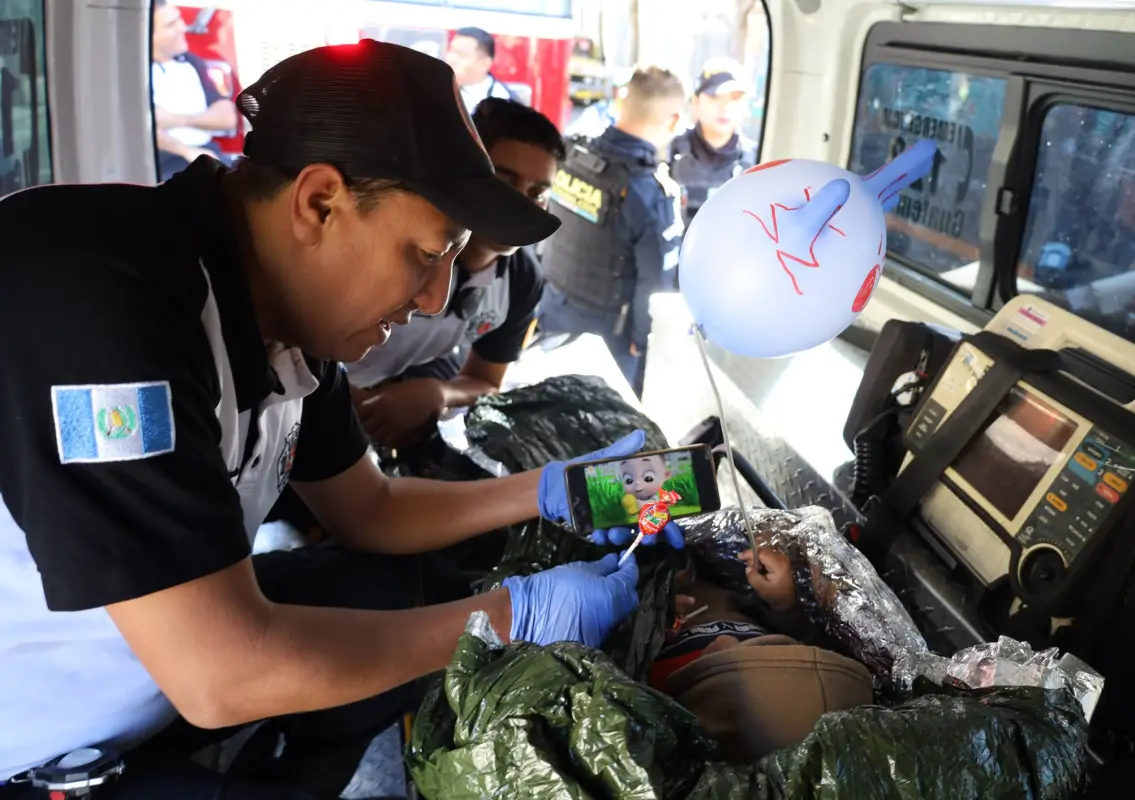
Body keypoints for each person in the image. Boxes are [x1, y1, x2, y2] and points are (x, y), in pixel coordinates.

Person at [0, 41, 681, 798]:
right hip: (41, 740)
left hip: (150, 687)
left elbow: (370, 509)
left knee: (395, 588)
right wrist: (514, 615)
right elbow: (221, 674)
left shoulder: (290, 320)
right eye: (426, 253)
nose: (434, 298)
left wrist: (557, 489)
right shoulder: (97, 300)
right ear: (319, 202)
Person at [346, 98, 565, 449]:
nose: (520, 205)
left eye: (537, 193)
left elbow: (486, 379)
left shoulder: (522, 279)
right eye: (505, 183)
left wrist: (437, 392)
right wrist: (337, 399)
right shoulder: (394, 239)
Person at [537, 66, 687, 398]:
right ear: (675, 120)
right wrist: (642, 340)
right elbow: (656, 285)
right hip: (607, 342)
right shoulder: (652, 194)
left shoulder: (572, 154)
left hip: (551, 309)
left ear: (621, 101)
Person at [650, 547, 874, 762]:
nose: (724, 639)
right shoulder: (809, 683)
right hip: (728, 592)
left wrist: (652, 617)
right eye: (763, 646)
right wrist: (785, 603)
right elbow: (808, 643)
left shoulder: (661, 688)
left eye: (710, 662)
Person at [150, 0, 239, 179]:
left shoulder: (192, 62)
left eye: (179, 19)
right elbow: (143, 131)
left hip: (207, 154)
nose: (183, 27)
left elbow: (228, 118)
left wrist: (175, 119)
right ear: (149, 35)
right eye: (171, 25)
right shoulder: (134, 74)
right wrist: (187, 151)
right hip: (165, 164)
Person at [669, 58, 758, 230]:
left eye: (735, 98)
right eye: (714, 97)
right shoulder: (669, 153)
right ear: (696, 102)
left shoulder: (755, 163)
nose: (725, 107)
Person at [444, 27, 512, 114]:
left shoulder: (501, 101)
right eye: (451, 50)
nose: (451, 59)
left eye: (461, 54)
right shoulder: (438, 86)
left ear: (484, 64)